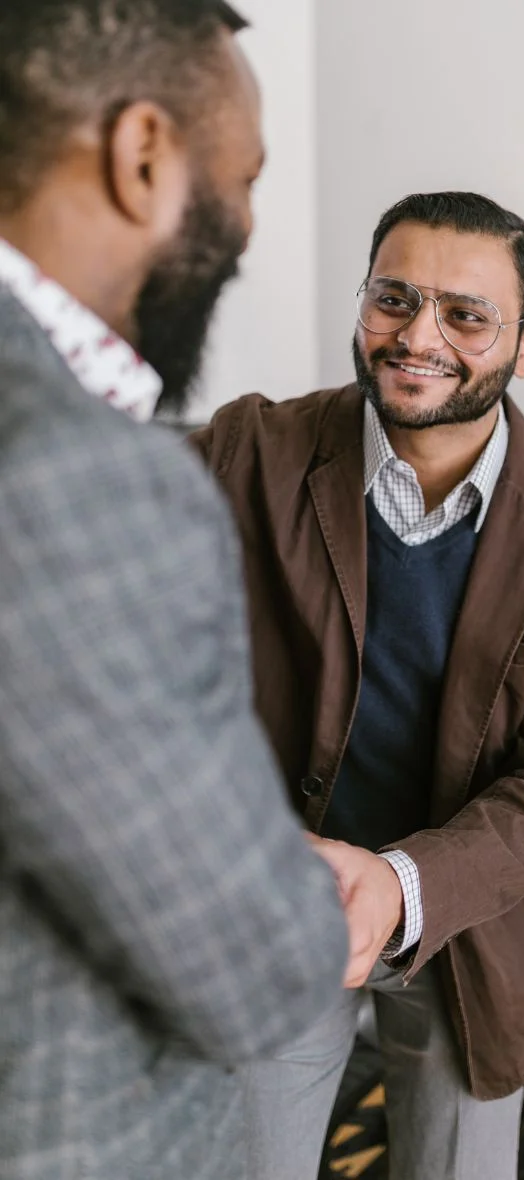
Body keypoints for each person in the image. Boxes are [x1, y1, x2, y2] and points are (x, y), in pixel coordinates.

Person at [191, 190, 524, 1179]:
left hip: (465, 929)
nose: (416, 337)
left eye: (464, 314)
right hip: (273, 912)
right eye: (392, 299)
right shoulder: (248, 450)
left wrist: (398, 889)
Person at [0, 4, 349, 1178]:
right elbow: (249, 963)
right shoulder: (79, 476)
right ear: (142, 155)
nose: (247, 226)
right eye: (243, 178)